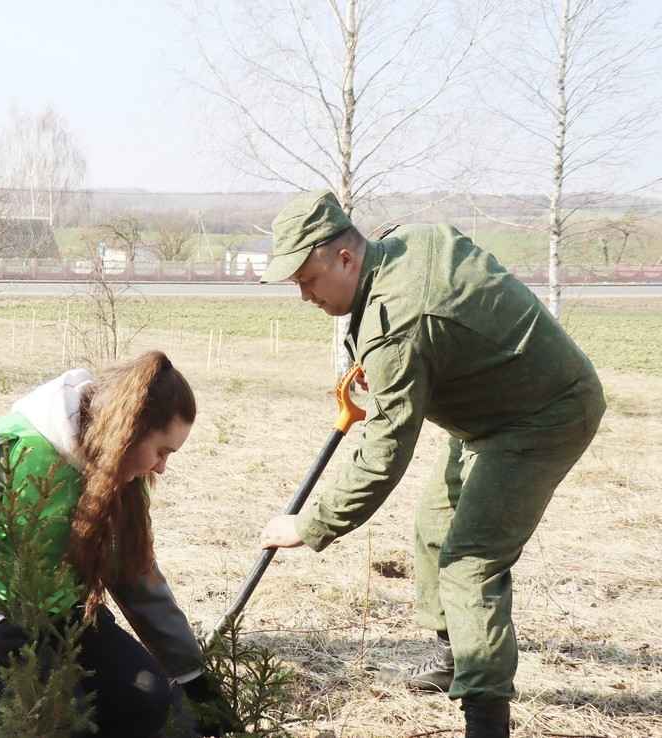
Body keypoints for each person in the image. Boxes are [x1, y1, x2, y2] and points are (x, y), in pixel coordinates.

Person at [254, 190, 606, 738]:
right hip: (491, 406)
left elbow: (385, 452)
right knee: (434, 529)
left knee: (471, 563)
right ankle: (453, 656)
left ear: (345, 258)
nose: (303, 295)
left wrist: (309, 524)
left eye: (306, 279)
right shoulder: (400, 246)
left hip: (543, 414)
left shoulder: (398, 324)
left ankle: (485, 717)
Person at [0, 351, 239, 738]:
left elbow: (137, 580)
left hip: (49, 613)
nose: (161, 468)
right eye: (162, 451)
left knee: (150, 702)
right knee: (42, 713)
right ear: (130, 429)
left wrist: (192, 677)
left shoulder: (118, 480)